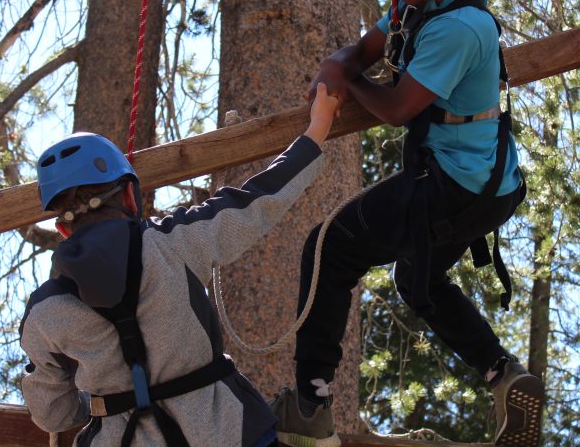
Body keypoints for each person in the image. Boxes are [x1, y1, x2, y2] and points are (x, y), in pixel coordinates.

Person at [270, 0, 544, 447]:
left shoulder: (457, 27)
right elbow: (365, 48)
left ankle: (310, 407)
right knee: (417, 281)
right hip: (482, 185)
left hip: (457, 186)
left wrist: (343, 77)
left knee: (330, 247)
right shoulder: (417, 7)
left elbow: (396, 107)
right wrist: (339, 60)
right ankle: (504, 375)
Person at [20, 83, 341, 447]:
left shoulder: (44, 312)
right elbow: (258, 201)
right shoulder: (173, 241)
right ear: (129, 195)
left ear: (62, 229)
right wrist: (316, 130)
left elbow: (52, 414)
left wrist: (102, 402)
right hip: (227, 435)